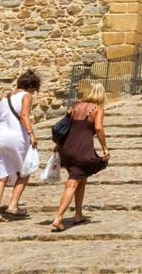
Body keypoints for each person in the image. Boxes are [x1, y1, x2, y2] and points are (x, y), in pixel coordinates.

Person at [50, 80, 110, 232]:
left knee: (81, 179)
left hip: (67, 148)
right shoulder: (98, 109)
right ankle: (58, 217)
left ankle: (78, 214)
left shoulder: (75, 106)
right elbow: (98, 128)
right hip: (81, 150)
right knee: (72, 183)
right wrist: (104, 148)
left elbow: (66, 126)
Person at [0, 71, 40, 223]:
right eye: (34, 89)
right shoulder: (26, 95)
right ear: (31, 87)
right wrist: (31, 134)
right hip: (16, 137)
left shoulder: (6, 97)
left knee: (0, 176)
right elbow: (24, 115)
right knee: (25, 171)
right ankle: (13, 205)